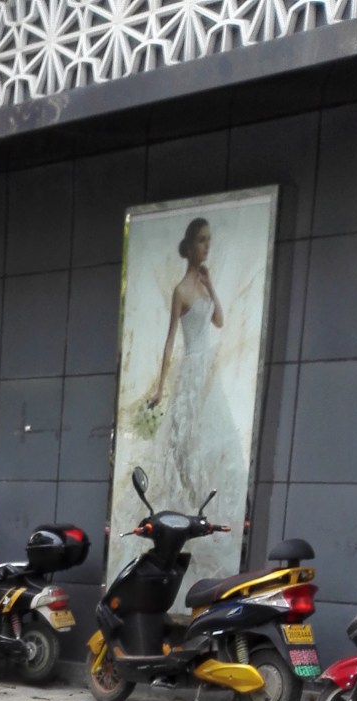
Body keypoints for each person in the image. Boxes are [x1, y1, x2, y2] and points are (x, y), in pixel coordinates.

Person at [144, 215, 246, 526]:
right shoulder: (181, 291)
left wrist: (211, 285)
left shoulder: (203, 286)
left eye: (209, 240)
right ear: (189, 247)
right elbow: (170, 340)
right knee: (185, 440)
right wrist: (160, 388)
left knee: (214, 435)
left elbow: (219, 321)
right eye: (202, 240)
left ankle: (208, 508)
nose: (207, 246)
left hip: (207, 370)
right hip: (191, 367)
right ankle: (190, 503)